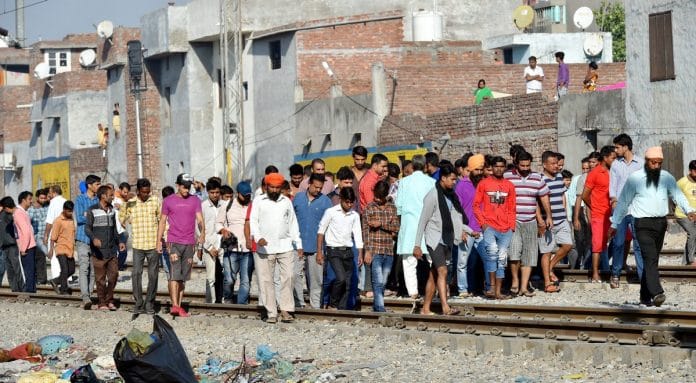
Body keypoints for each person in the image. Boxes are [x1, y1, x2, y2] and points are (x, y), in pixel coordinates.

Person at [610, 147, 696, 307]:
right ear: (647, 161)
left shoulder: (667, 178)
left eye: (659, 163)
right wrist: (615, 223)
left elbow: (677, 195)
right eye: (653, 162)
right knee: (649, 258)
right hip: (641, 224)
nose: (656, 166)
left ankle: (644, 297)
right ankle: (657, 292)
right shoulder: (635, 179)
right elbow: (623, 202)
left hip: (660, 223)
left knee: (652, 260)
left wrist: (689, 210)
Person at [414, 164, 467, 315]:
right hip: (434, 238)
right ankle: (445, 307)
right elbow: (422, 221)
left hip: (447, 238)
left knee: (434, 274)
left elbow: (455, 218)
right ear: (443, 178)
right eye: (452, 179)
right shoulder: (432, 195)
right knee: (442, 271)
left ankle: (425, 308)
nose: (454, 182)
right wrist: (417, 245)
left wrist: (466, 230)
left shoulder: (451, 195)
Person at [249, 172, 303, 323]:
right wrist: (258, 238)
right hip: (264, 248)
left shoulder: (286, 201)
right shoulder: (259, 201)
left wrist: (298, 244)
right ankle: (271, 312)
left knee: (289, 276)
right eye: (271, 187)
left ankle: (286, 310)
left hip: (285, 245)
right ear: (266, 187)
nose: (274, 190)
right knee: (266, 280)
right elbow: (253, 221)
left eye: (277, 187)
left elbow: (293, 223)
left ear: (281, 188)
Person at [156, 173, 205, 317]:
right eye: (184, 187)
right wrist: (158, 240)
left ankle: (179, 304)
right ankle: (175, 305)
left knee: (183, 277)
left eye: (189, 187)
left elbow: (200, 219)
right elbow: (162, 221)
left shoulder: (195, 200)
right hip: (173, 242)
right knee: (174, 275)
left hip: (189, 242)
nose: (186, 190)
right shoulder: (168, 201)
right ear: (177, 185)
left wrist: (203, 233)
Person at [504, 151, 551, 297]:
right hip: (513, 221)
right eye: (522, 165)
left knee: (529, 255)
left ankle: (524, 287)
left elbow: (543, 197)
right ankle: (515, 282)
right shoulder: (507, 177)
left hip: (530, 221)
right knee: (514, 253)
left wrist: (548, 216)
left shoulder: (537, 178)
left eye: (528, 165)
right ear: (516, 163)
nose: (525, 168)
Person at [473, 156, 516, 299]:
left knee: (502, 259)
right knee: (491, 255)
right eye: (496, 166)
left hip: (506, 229)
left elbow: (512, 207)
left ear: (505, 167)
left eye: (501, 166)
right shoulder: (483, 184)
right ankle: (491, 288)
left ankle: (498, 292)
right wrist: (483, 224)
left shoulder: (509, 185)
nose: (499, 169)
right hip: (489, 226)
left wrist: (511, 226)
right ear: (491, 167)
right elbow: (476, 205)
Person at [396, 155, 436, 299]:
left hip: (409, 225)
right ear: (425, 166)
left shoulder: (403, 182)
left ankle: (413, 293)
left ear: (412, 166)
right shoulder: (432, 182)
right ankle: (435, 290)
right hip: (428, 225)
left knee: (409, 262)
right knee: (433, 258)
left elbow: (399, 207)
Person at [119, 178, 161, 315]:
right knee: (136, 273)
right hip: (138, 245)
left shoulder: (155, 201)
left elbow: (162, 221)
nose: (146, 194)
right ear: (138, 191)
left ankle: (149, 303)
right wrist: (126, 202)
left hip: (153, 244)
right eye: (143, 192)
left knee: (153, 275)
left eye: (148, 192)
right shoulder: (131, 203)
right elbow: (121, 218)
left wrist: (162, 240)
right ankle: (138, 302)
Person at [317, 187, 363, 310]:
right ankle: (332, 303)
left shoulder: (354, 215)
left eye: (351, 202)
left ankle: (341, 309)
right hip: (333, 250)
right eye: (346, 202)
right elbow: (321, 232)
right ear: (340, 199)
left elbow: (358, 234)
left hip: (348, 251)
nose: (349, 205)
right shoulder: (331, 212)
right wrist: (319, 252)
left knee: (348, 282)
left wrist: (360, 253)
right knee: (339, 278)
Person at [292, 173, 333, 309]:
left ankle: (315, 307)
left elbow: (328, 226)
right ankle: (299, 304)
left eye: (320, 188)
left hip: (317, 248)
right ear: (309, 184)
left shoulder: (326, 201)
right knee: (294, 276)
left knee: (316, 280)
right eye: (316, 187)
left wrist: (322, 250)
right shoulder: (297, 198)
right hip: (297, 246)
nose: (318, 190)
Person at [609, 133, 644, 288]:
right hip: (621, 209)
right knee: (618, 242)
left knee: (639, 243)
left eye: (617, 147)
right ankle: (615, 273)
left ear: (625, 147)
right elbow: (613, 185)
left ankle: (643, 277)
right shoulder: (616, 164)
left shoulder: (641, 164)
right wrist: (613, 199)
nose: (615, 150)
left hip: (637, 208)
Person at [85, 185, 126, 311]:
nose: (113, 197)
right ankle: (102, 302)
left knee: (114, 276)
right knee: (100, 279)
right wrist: (93, 239)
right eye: (111, 195)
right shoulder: (92, 210)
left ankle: (109, 299)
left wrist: (120, 241)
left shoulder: (112, 210)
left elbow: (114, 229)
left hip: (111, 250)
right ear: (103, 196)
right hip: (98, 252)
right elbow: (87, 228)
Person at [538, 152, 573, 293]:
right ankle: (547, 283)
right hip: (548, 222)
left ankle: (550, 267)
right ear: (544, 164)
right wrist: (541, 220)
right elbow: (536, 201)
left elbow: (562, 194)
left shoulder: (559, 177)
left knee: (568, 245)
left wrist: (564, 213)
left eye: (556, 163)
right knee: (546, 252)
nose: (555, 166)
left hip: (561, 219)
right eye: (552, 163)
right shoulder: (540, 180)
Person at [363, 180, 400, 312]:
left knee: (383, 281)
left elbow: (396, 227)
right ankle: (380, 307)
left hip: (388, 250)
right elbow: (365, 232)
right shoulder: (369, 208)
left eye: (379, 196)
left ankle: (377, 305)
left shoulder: (392, 208)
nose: (376, 199)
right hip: (374, 249)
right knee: (378, 280)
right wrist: (367, 251)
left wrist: (381, 224)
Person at [582, 146, 617, 283]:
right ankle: (595, 273)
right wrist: (594, 207)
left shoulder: (614, 172)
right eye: (613, 158)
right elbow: (585, 195)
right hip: (599, 214)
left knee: (615, 240)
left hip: (612, 213)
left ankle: (608, 267)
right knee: (597, 244)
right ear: (605, 158)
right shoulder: (595, 173)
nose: (615, 161)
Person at [454, 154, 487, 297]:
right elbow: (456, 211)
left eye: (481, 169)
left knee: (488, 260)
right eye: (477, 169)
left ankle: (489, 287)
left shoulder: (485, 184)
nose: (480, 172)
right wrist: (460, 229)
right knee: (463, 263)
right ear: (471, 169)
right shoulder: (461, 186)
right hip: (467, 230)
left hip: (483, 230)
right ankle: (462, 289)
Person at [216, 181, 254, 304]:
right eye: (244, 195)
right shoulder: (227, 205)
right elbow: (218, 223)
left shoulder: (253, 206)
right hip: (231, 249)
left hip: (248, 250)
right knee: (229, 279)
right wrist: (223, 230)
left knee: (246, 280)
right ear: (238, 194)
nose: (247, 197)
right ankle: (228, 300)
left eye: (249, 195)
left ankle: (242, 305)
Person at [74, 175, 101, 309]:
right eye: (97, 184)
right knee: (84, 268)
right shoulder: (79, 199)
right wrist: (92, 216)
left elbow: (98, 217)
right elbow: (79, 218)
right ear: (89, 185)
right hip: (82, 238)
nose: (98, 187)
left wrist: (88, 215)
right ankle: (85, 297)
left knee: (93, 270)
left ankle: (89, 294)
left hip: (95, 240)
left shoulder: (98, 200)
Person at [574, 152, 601, 270]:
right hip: (589, 211)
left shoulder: (606, 174)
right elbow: (579, 198)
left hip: (603, 211)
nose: (590, 165)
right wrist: (575, 218)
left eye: (593, 162)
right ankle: (586, 264)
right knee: (589, 240)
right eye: (589, 162)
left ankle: (600, 265)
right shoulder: (584, 178)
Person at [200, 179, 222, 303]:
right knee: (211, 277)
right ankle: (211, 303)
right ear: (208, 192)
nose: (215, 195)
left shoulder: (224, 205)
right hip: (209, 246)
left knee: (225, 275)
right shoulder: (202, 207)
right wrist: (208, 247)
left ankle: (222, 300)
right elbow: (199, 230)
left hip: (222, 245)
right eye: (212, 192)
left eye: (217, 192)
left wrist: (220, 246)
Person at [48, 201, 76, 295]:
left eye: (71, 211)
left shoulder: (71, 219)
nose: (70, 213)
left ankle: (55, 281)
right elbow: (53, 237)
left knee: (71, 270)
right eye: (68, 211)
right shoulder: (58, 221)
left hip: (70, 248)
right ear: (64, 210)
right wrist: (51, 250)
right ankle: (64, 290)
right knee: (64, 269)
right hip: (60, 248)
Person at [15, 191, 37, 293]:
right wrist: (24, 248)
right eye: (29, 199)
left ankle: (30, 292)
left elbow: (26, 231)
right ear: (23, 200)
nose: (31, 201)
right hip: (27, 246)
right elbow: (26, 231)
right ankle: (30, 291)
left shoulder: (22, 212)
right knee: (29, 270)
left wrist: (23, 248)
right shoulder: (19, 213)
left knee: (29, 270)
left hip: (27, 246)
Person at [676, 161, 696, 265]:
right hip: (683, 215)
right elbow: (673, 196)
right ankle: (691, 260)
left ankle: (685, 264)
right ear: (690, 171)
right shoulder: (682, 182)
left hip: (695, 215)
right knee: (692, 233)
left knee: (693, 237)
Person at [28, 188, 49, 285]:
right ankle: (40, 279)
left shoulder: (46, 207)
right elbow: (28, 222)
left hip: (45, 237)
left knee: (41, 258)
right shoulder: (32, 209)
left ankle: (41, 279)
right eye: (41, 198)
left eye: (45, 198)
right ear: (37, 198)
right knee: (39, 258)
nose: (43, 200)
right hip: (36, 238)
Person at [0, 197, 21, 292]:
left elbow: (13, 221)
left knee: (16, 268)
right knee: (9, 271)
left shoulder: (9, 214)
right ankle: (14, 289)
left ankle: (22, 289)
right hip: (3, 247)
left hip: (12, 245)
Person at [113, 182, 131, 271]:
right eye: (124, 192)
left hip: (122, 229)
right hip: (115, 229)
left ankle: (118, 266)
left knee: (123, 251)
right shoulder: (113, 199)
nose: (126, 194)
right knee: (119, 250)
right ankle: (116, 267)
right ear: (120, 190)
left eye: (127, 192)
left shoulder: (125, 200)